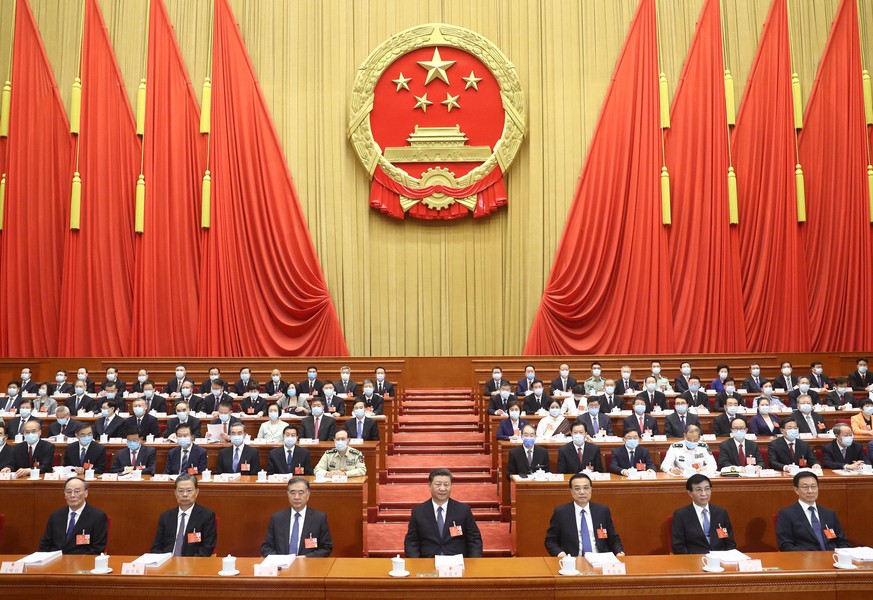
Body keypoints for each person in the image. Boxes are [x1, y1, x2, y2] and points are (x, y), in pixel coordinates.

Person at [404, 468, 483, 558]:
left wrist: (474, 563)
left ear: (451, 486)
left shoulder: (463, 510)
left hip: (456, 563)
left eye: (446, 485)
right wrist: (416, 563)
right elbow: (412, 541)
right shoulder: (418, 512)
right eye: (438, 484)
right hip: (428, 562)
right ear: (429, 485)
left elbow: (474, 539)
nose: (442, 488)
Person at [544, 472, 624, 557]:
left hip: (600, 559)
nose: (582, 492)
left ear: (591, 489)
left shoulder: (602, 511)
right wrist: (561, 554)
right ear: (571, 491)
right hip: (573, 560)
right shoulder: (561, 513)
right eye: (577, 488)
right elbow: (550, 541)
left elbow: (613, 539)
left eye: (586, 488)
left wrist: (619, 553)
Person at [776, 471, 850, 551]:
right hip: (804, 560)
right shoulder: (786, 514)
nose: (810, 491)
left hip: (832, 558)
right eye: (805, 487)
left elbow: (842, 541)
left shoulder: (829, 513)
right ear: (796, 490)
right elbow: (785, 545)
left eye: (813, 486)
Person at [262, 477, 333, 556]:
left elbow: (326, 547)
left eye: (301, 493)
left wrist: (306, 558)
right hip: (282, 566)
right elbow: (266, 547)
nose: (296, 497)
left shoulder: (319, 518)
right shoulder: (277, 518)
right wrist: (280, 560)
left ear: (308, 495)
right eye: (292, 493)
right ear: (287, 494)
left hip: (308, 565)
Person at [151, 474, 217, 556]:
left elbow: (207, 548)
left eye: (189, 491)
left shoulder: (206, 516)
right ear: (175, 493)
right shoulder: (166, 517)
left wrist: (188, 564)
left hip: (192, 564)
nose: (185, 495)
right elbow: (156, 547)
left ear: (196, 492)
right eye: (180, 491)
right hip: (167, 563)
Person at [38, 477, 108, 554]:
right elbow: (45, 545)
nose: (72, 495)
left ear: (86, 493)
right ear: (64, 494)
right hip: (56, 561)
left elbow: (97, 549)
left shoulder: (97, 517)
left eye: (77, 491)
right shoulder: (56, 516)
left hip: (82, 563)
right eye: (68, 492)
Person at [671, 474, 736, 554]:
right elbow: (678, 546)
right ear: (689, 493)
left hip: (720, 560)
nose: (704, 494)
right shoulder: (681, 515)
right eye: (699, 490)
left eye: (707, 489)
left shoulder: (721, 513)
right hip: (694, 560)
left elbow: (729, 543)